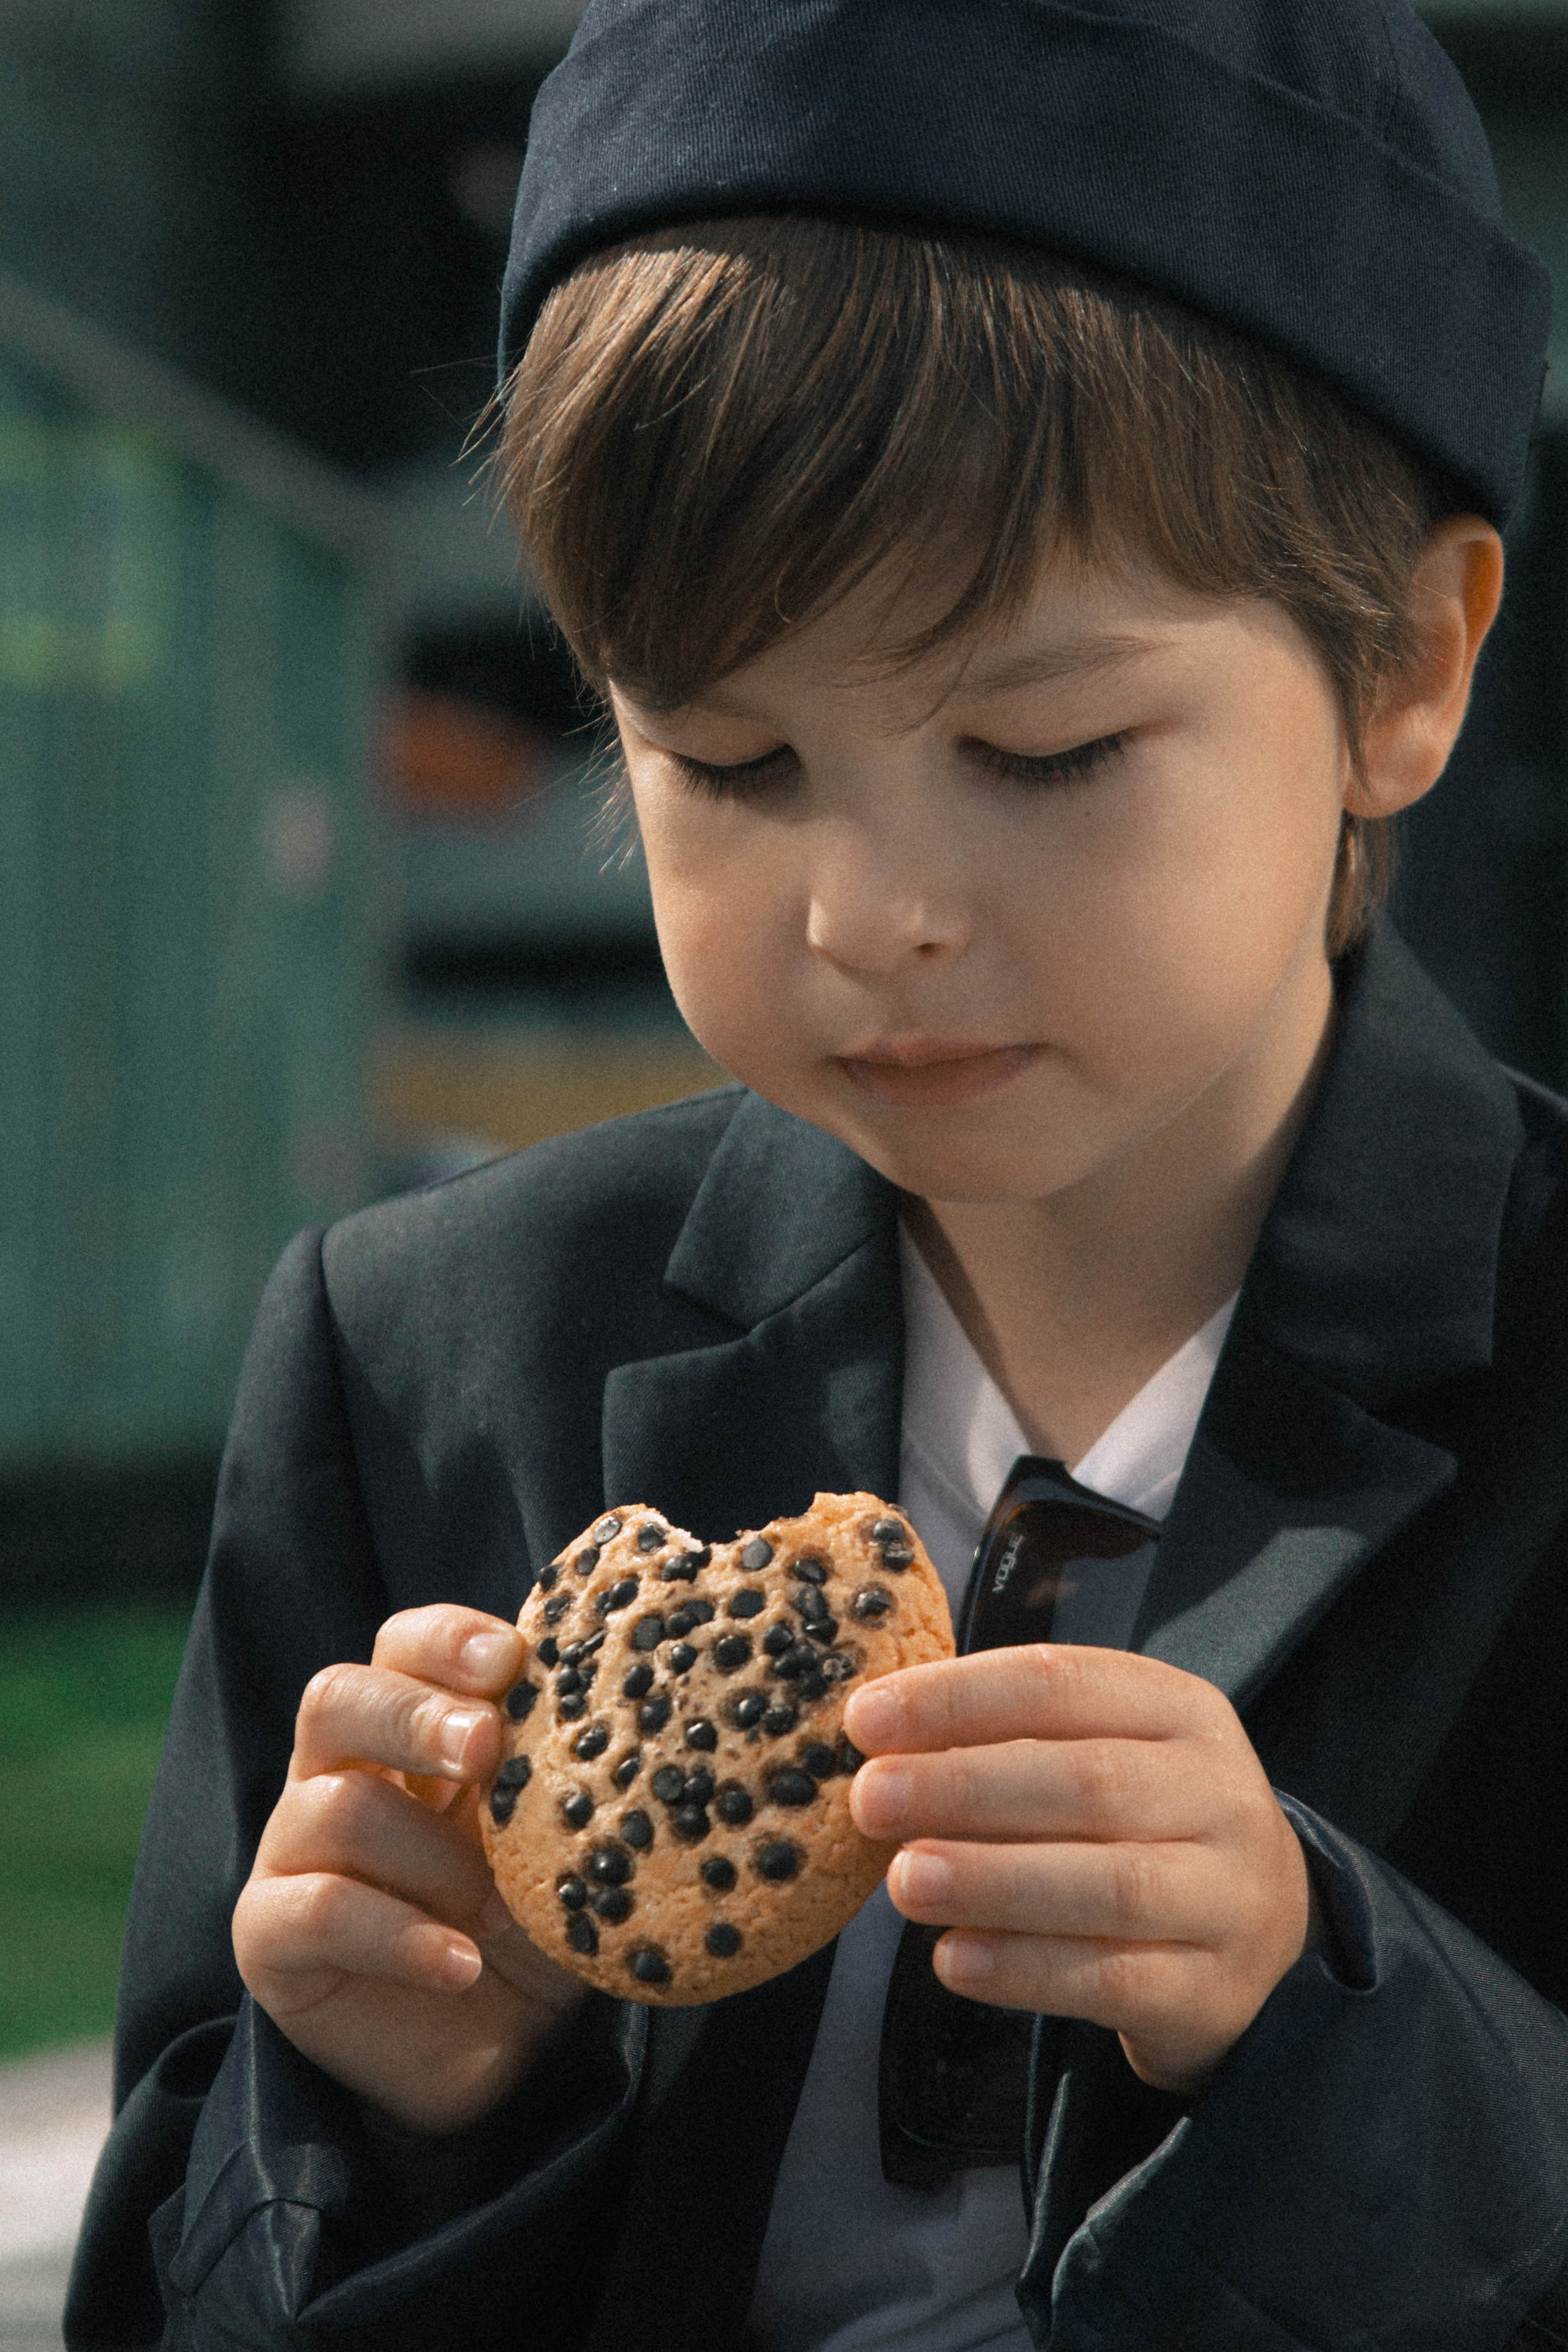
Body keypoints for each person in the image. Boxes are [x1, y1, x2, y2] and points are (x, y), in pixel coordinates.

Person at [67, 2, 1568, 2345]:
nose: (873, 913)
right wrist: (382, 2107)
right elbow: (174, 2281)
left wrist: (1334, 2023)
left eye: (1043, 750)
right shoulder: (425, 1363)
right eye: (731, 757)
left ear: (1409, 663)